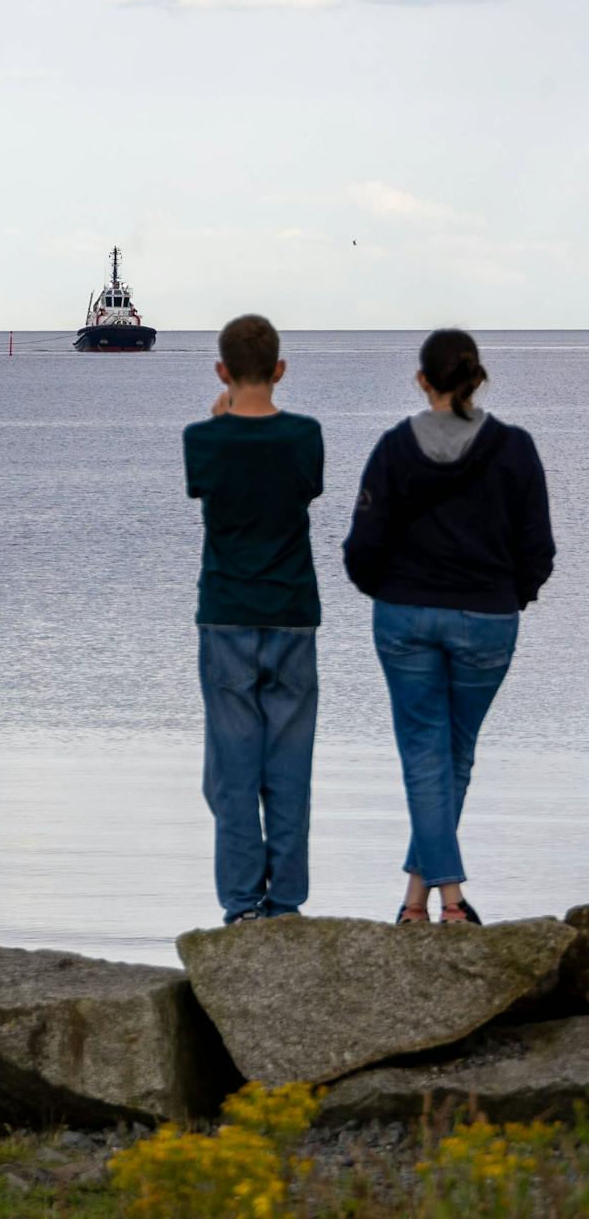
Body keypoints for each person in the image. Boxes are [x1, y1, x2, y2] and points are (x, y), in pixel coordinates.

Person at [344, 329, 554, 925]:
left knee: (425, 756)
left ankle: (441, 901)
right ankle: (427, 903)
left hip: (405, 616)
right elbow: (537, 546)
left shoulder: (392, 449)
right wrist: (513, 596)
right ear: (477, 377)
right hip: (488, 619)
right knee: (452, 756)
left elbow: (363, 546)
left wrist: (384, 592)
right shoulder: (515, 449)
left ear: (421, 381)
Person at [183, 315, 325, 925]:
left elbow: (206, 484)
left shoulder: (202, 439)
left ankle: (242, 906)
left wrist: (220, 420)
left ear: (221, 370)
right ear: (280, 369)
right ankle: (286, 902)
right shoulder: (305, 435)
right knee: (289, 769)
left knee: (233, 772)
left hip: (227, 616)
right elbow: (306, 489)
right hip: (293, 614)